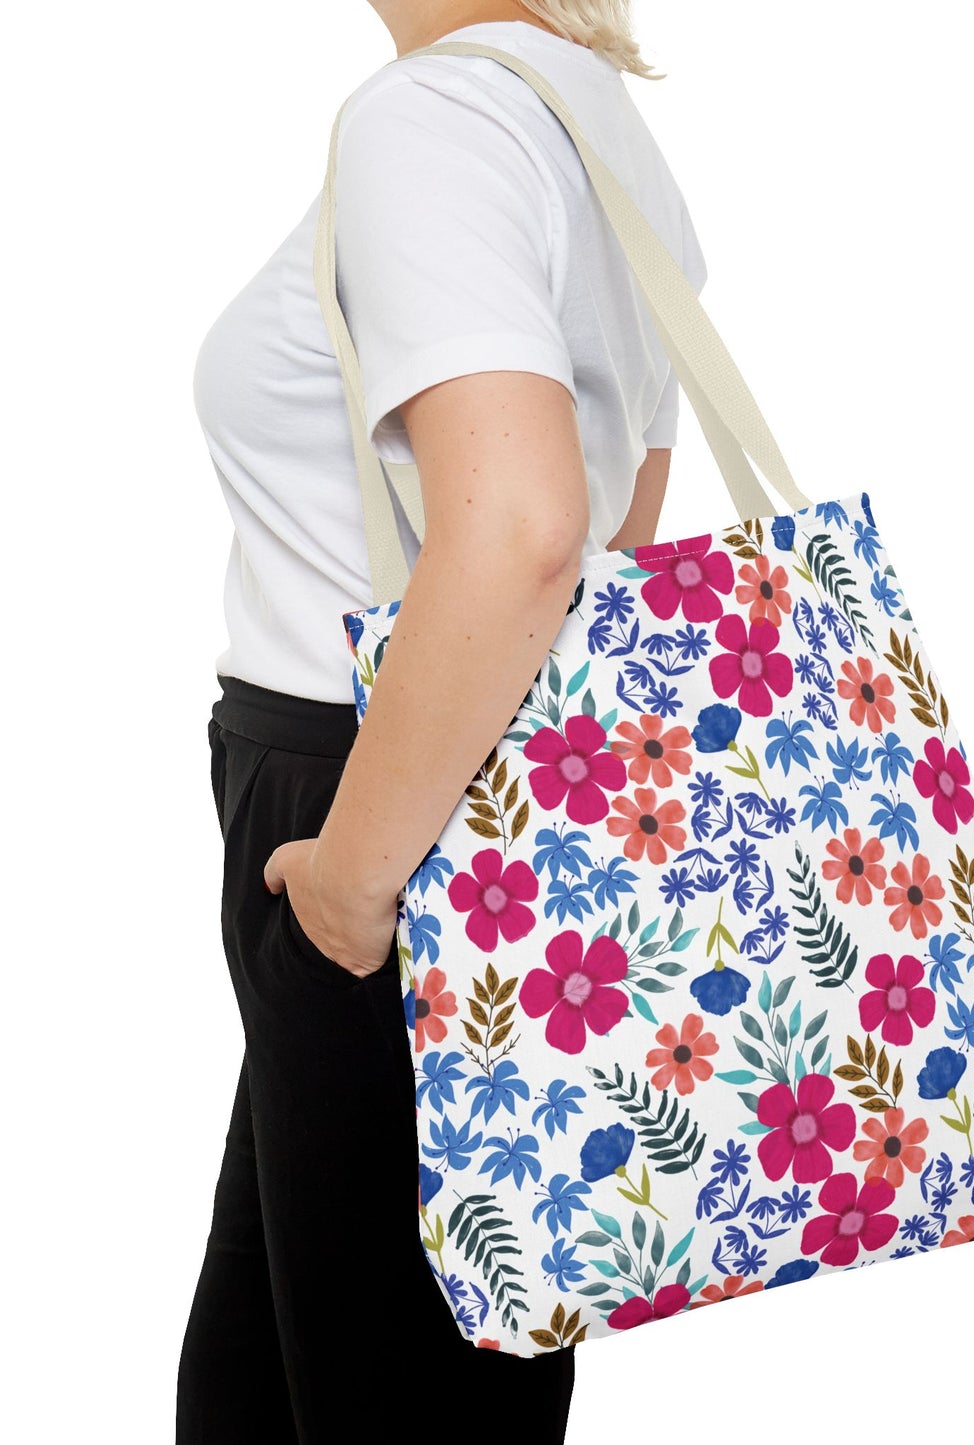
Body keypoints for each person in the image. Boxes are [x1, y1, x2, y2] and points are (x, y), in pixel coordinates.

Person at [176, 3, 707, 1440]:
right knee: (298, 1377)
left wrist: (350, 888)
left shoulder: (435, 124)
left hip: (376, 813)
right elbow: (616, 529)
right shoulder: (588, 120)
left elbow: (531, 529)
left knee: (375, 1394)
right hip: (474, 786)